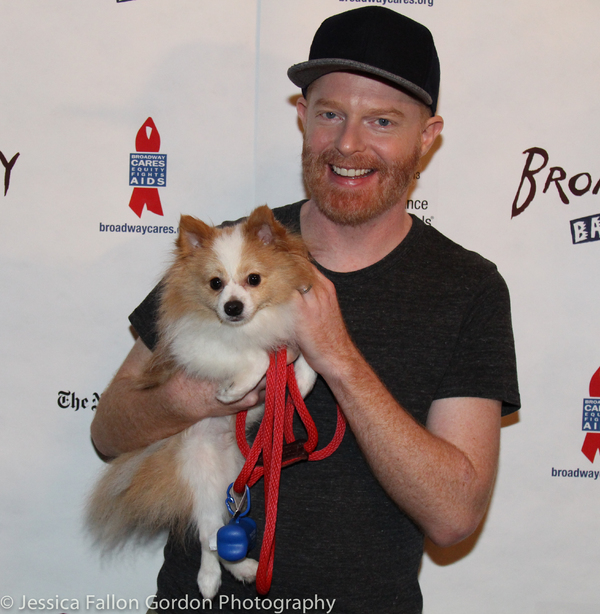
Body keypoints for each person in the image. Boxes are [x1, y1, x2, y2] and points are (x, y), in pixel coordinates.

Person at [91, 7, 520, 614]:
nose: (348, 143)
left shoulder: (468, 289)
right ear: (302, 117)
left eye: (382, 120)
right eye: (330, 114)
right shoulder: (225, 256)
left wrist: (336, 355)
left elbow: (454, 516)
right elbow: (107, 431)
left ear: (427, 137)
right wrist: (201, 396)